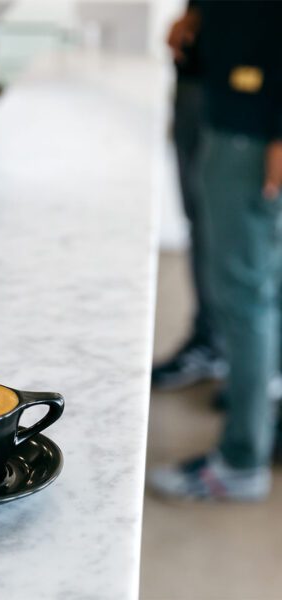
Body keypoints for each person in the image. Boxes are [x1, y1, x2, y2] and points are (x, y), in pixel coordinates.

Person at [149, 0, 282, 501]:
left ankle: (241, 461)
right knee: (258, 284)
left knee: (244, 293)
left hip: (252, 122)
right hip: (234, 105)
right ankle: (259, 417)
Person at [151, 2, 227, 391]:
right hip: (199, 76)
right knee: (202, 227)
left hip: (240, 98)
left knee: (242, 242)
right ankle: (213, 344)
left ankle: (259, 374)